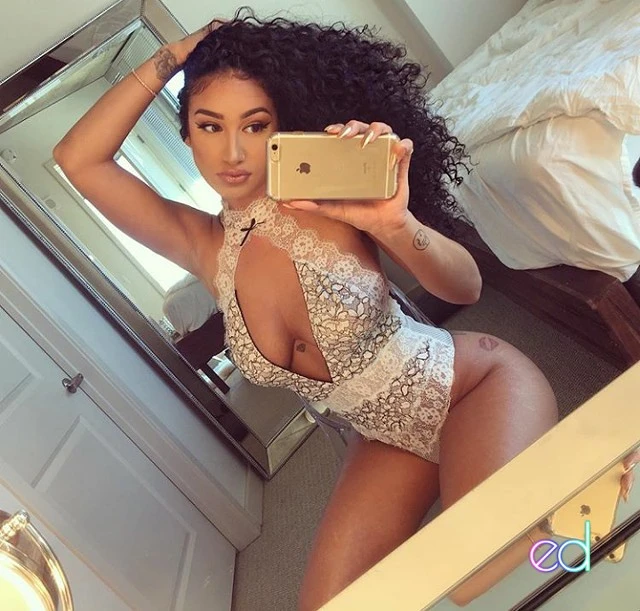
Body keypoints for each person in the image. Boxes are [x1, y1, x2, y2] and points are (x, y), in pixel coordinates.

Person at [53, 9, 638, 609]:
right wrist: (179, 54)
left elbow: (465, 287)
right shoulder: (202, 247)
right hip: (383, 438)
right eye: (209, 125)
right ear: (187, 137)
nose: (232, 151)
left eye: (255, 125)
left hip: (470, 386)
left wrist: (394, 223)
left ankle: (604, 491)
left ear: (280, 127)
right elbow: (77, 159)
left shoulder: (325, 196)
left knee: (480, 576)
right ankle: (558, 503)